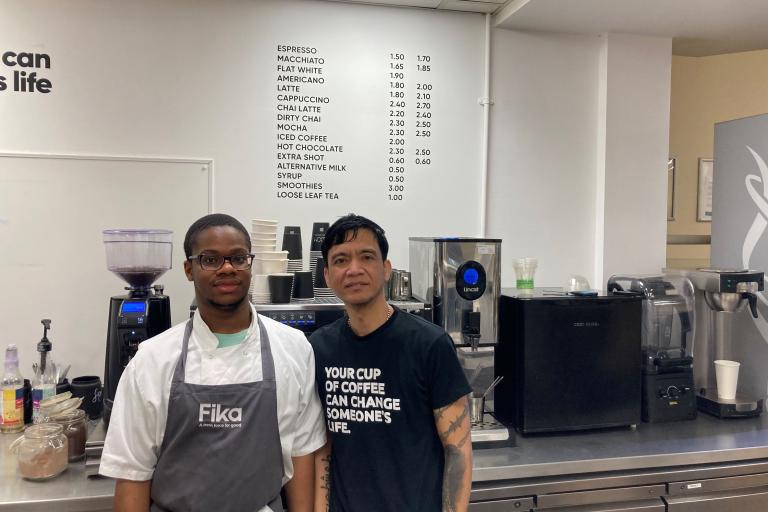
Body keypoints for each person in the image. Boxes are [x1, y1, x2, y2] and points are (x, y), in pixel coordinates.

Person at [100, 213, 326, 512]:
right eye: (210, 259)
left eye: (238, 257)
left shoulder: (293, 348)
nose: (227, 268)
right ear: (189, 269)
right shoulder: (152, 360)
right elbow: (132, 475)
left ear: (251, 263)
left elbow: (302, 452)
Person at [309, 214, 472, 512]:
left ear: (386, 269)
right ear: (328, 276)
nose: (354, 269)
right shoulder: (319, 348)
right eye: (341, 260)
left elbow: (458, 452)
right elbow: (324, 449)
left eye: (366, 256)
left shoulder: (429, 344)